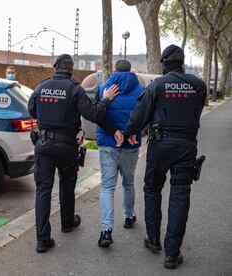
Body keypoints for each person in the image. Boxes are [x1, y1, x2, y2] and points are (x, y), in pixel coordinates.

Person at [124, 45, 207, 269]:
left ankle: (153, 240)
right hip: (186, 145)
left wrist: (129, 134)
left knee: (152, 190)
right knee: (180, 195)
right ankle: (172, 254)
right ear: (182, 61)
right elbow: (197, 111)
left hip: (160, 145)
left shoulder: (157, 85)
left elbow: (140, 114)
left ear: (164, 63)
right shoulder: (198, 85)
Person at [28, 54, 119, 253]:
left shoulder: (41, 87)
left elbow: (32, 111)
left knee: (43, 190)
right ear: (71, 70)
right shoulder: (75, 89)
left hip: (43, 144)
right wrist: (105, 100)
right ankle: (67, 222)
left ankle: (42, 240)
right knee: (67, 184)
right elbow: (93, 114)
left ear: (55, 68)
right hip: (66, 146)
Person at [94, 60, 143, 247]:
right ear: (131, 71)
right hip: (131, 144)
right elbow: (143, 117)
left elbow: (96, 115)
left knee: (107, 187)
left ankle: (106, 231)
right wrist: (131, 133)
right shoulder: (140, 90)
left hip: (108, 144)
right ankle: (129, 217)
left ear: (114, 70)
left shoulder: (102, 89)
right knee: (128, 183)